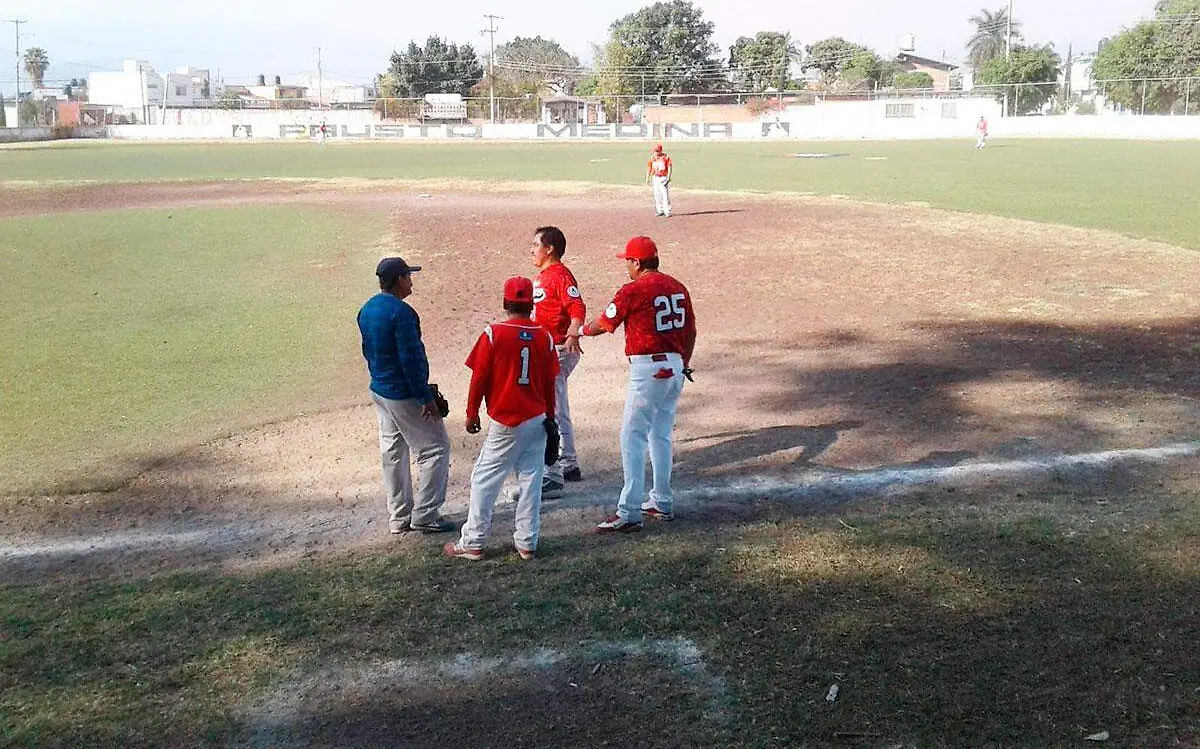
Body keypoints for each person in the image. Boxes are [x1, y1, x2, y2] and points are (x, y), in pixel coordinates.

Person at [579, 236, 696, 533]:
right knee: (660, 435)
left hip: (649, 369)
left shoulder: (634, 289)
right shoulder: (677, 286)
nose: (626, 267)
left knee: (632, 437)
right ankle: (662, 500)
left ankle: (629, 512)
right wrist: (683, 363)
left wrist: (577, 332)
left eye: (628, 261)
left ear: (637, 262)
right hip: (675, 364)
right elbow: (691, 331)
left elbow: (604, 324)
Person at [445, 277, 560, 561]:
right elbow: (550, 383)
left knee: (484, 479)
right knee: (531, 480)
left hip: (506, 421)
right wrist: (550, 417)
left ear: (506, 303)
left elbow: (479, 379)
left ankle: (473, 540)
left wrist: (472, 412)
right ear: (531, 304)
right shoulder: (544, 336)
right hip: (536, 418)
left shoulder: (493, 333)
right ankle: (527, 541)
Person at [357, 257, 454, 535]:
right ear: (399, 279)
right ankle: (426, 514)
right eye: (408, 276)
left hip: (380, 389)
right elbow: (411, 359)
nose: (411, 280)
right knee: (435, 448)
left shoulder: (367, 308)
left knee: (393, 452)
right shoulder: (402, 313)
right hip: (403, 393)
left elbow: (367, 351)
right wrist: (424, 397)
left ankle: (399, 516)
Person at [531, 225, 587, 498]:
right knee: (553, 403)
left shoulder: (561, 276)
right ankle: (569, 462)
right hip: (548, 349)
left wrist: (574, 331)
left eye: (536, 245)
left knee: (552, 406)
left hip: (559, 348)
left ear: (549, 248)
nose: (532, 250)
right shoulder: (544, 276)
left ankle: (563, 464)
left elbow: (577, 307)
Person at [645, 143, 673, 218]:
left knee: (664, 194)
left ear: (661, 150)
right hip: (655, 177)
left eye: (657, 151)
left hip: (663, 177)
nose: (656, 152)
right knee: (657, 194)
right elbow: (649, 168)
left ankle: (667, 211)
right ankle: (660, 210)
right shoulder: (652, 158)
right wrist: (647, 177)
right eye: (655, 151)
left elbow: (670, 166)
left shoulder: (666, 157)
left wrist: (668, 177)